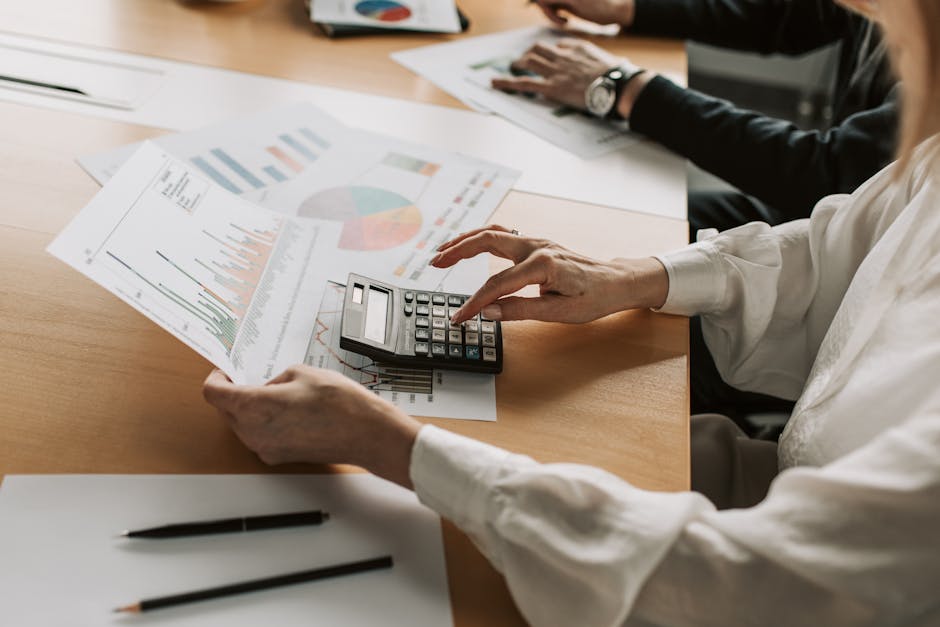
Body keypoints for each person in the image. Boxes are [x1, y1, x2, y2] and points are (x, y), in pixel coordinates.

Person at [203, 0, 940, 623]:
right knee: (531, 422)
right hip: (774, 480)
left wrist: (390, 444)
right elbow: (840, 251)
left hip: (752, 568)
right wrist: (633, 276)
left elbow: (733, 584)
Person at [499, 0, 897, 237]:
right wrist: (627, 7)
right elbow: (787, 14)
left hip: (846, 254)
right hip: (818, 211)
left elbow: (824, 173)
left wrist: (625, 89)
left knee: (615, 239)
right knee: (601, 223)